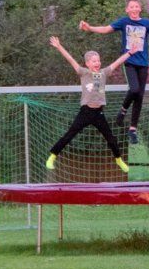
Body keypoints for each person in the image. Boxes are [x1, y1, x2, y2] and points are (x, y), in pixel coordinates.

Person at [79, 0, 149, 144]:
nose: (134, 9)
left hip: (143, 63)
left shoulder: (146, 23)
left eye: (136, 6)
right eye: (131, 7)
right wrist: (90, 28)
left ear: (140, 8)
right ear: (127, 10)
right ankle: (123, 110)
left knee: (140, 96)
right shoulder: (124, 22)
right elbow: (106, 29)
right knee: (134, 89)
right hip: (129, 62)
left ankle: (133, 129)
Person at [45, 36, 132, 173]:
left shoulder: (103, 73)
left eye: (98, 60)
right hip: (85, 112)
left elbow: (117, 62)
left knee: (111, 138)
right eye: (94, 61)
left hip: (99, 113)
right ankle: (52, 156)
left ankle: (119, 160)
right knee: (69, 135)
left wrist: (130, 52)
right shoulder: (84, 73)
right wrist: (59, 46)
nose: (97, 63)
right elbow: (70, 59)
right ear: (87, 64)